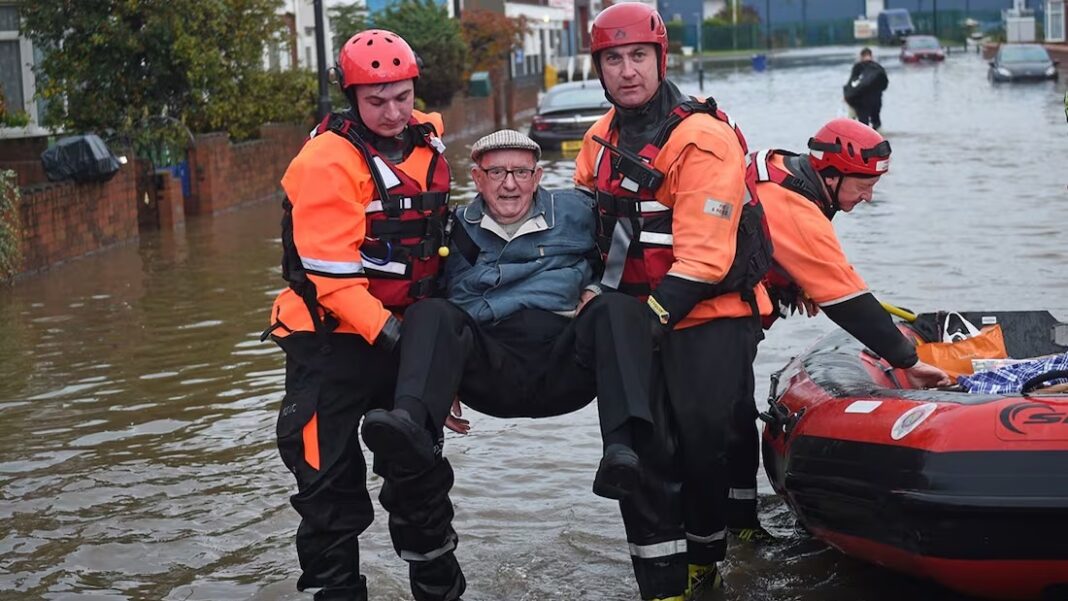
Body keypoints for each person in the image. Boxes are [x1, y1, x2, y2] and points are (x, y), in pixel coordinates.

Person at [360, 129, 658, 599]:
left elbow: (623, 253)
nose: (510, 184)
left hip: (564, 361)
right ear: (476, 179)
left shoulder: (578, 213)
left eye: (521, 172)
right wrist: (441, 374)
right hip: (492, 367)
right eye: (496, 173)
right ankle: (411, 424)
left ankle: (621, 449)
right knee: (428, 312)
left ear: (538, 176)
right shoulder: (452, 228)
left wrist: (597, 290)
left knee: (620, 309)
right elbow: (433, 304)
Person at [572, 4, 774, 600]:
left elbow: (705, 260)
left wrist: (648, 322)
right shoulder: (597, 140)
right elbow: (585, 233)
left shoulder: (702, 138)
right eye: (614, 59)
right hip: (635, 316)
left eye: (638, 57)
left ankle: (706, 562)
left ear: (661, 60)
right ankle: (660, 581)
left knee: (701, 444)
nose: (627, 71)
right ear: (599, 68)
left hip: (708, 314)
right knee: (642, 452)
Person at [263, 29, 454, 601]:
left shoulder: (427, 142)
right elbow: (336, 285)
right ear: (351, 98)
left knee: (421, 482)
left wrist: (437, 361)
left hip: (402, 339)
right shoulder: (326, 162)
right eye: (377, 101)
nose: (394, 112)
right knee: (328, 491)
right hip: (329, 346)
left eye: (402, 96)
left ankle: (441, 592)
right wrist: (411, 347)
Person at [725, 119, 953, 535]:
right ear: (830, 174)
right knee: (730, 420)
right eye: (862, 186)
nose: (867, 197)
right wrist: (908, 361)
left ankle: (740, 526)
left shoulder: (777, 166)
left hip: (718, 315)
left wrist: (795, 278)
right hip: (716, 322)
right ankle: (735, 528)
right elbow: (848, 300)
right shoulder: (794, 206)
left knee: (735, 418)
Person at [844, 47, 889, 131]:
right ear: (871, 56)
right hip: (876, 101)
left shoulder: (858, 67)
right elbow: (885, 85)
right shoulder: (878, 68)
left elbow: (852, 83)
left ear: (861, 56)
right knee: (876, 122)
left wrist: (847, 96)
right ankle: (880, 139)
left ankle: (863, 141)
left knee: (863, 125)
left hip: (861, 102)